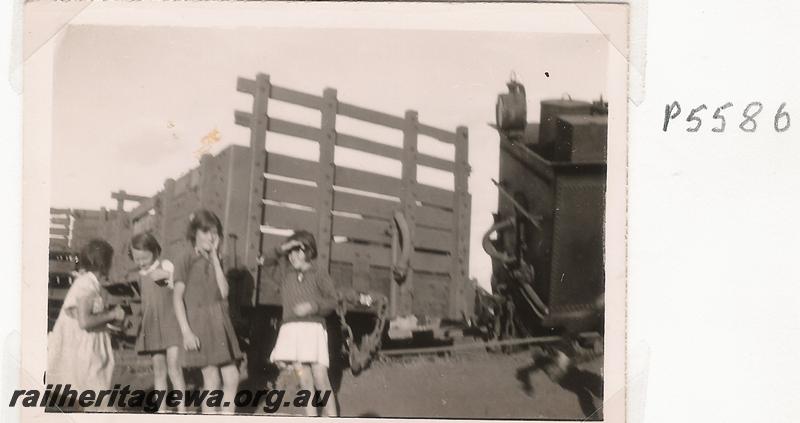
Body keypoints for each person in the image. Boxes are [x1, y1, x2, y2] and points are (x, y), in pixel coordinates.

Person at [262, 230, 339, 417]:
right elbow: (265, 262)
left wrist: (313, 306)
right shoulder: (285, 275)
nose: (293, 255)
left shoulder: (318, 272)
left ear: (310, 251)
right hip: (292, 330)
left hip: (313, 329)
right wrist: (284, 247)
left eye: (299, 250)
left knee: (320, 378)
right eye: (290, 251)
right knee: (304, 379)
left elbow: (332, 300)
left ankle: (333, 416)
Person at [172, 210, 242, 414]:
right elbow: (177, 298)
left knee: (232, 378)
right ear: (195, 233)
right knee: (211, 379)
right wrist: (186, 332)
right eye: (205, 231)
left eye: (214, 231)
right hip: (198, 323)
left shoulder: (217, 258)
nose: (211, 236)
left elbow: (224, 292)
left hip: (219, 321)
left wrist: (215, 260)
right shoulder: (185, 257)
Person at [47, 239, 125, 407]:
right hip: (84, 353)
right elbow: (84, 321)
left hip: (86, 350)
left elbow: (83, 317)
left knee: (92, 397)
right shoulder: (86, 286)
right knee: (98, 399)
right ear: (104, 264)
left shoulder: (89, 283)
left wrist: (109, 324)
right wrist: (112, 314)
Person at [130, 232, 186, 413]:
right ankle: (162, 410)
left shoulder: (165, 265)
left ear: (154, 251)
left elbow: (177, 286)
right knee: (159, 371)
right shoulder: (140, 274)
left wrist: (165, 277)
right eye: (136, 259)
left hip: (171, 323)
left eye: (144, 258)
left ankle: (182, 410)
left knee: (174, 368)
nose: (141, 262)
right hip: (153, 326)